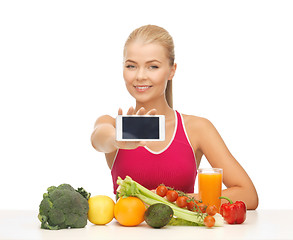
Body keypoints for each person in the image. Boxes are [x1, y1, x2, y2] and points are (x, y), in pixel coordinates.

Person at [91, 25, 258, 210]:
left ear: (172, 70)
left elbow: (247, 194)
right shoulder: (112, 126)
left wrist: (172, 199)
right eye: (131, 66)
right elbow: (99, 139)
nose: (139, 76)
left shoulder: (197, 128)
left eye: (152, 66)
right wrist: (117, 139)